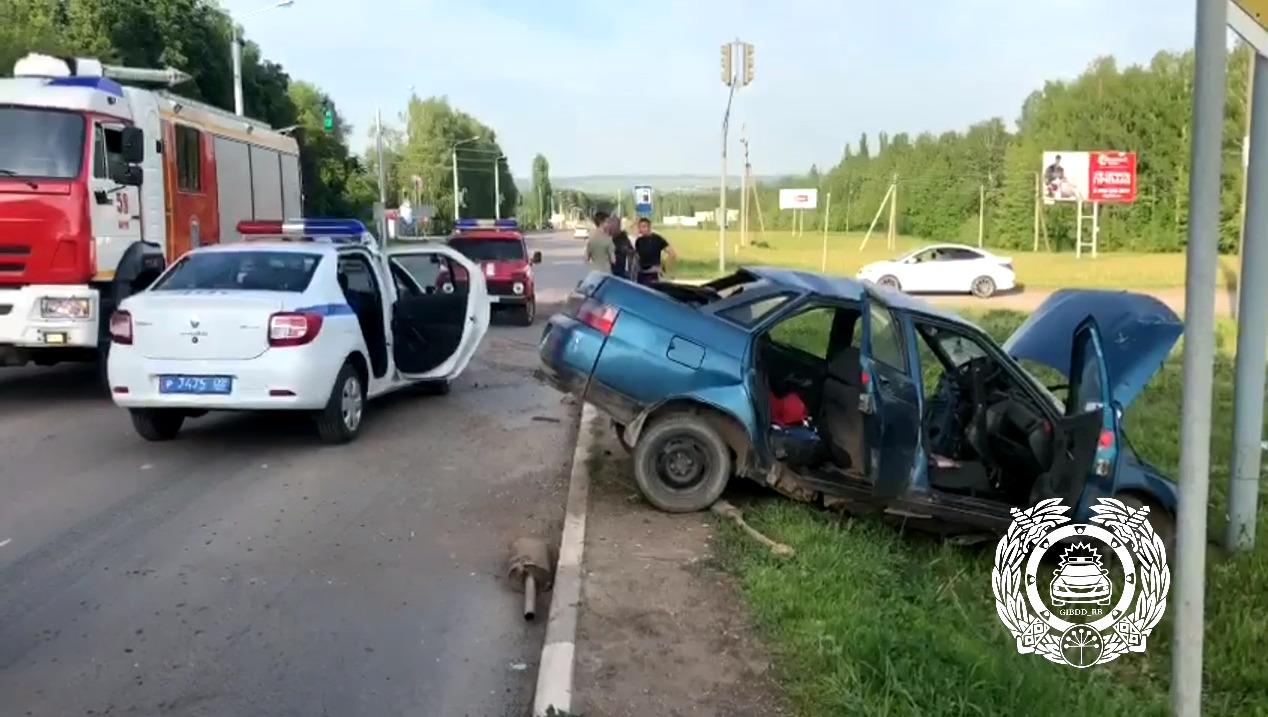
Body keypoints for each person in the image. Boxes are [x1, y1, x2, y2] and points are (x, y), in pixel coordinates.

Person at [633, 217, 676, 285]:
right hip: (641, 273)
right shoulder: (639, 241)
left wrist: (664, 266)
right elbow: (637, 257)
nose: (642, 229)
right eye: (640, 227)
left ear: (649, 227)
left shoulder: (657, 239)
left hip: (653, 273)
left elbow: (672, 253)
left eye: (644, 227)